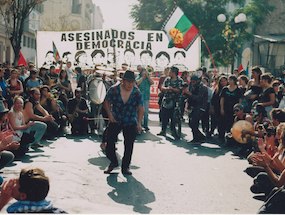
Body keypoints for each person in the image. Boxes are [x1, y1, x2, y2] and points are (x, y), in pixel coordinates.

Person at [103, 70, 144, 175]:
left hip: (130, 120)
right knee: (109, 143)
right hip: (116, 119)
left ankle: (125, 167)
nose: (130, 85)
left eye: (132, 82)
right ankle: (113, 162)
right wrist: (110, 115)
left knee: (129, 145)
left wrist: (139, 123)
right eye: (128, 82)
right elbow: (106, 101)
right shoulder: (114, 90)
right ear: (123, 81)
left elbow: (140, 108)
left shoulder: (136, 92)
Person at [0, 167, 67, 213]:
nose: (12, 182)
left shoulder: (16, 211)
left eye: (15, 183)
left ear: (23, 196)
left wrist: (3, 200)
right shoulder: (55, 210)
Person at [157, 66, 183, 139]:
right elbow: (162, 87)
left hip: (175, 101)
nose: (169, 73)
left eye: (170, 71)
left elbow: (180, 90)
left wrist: (173, 89)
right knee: (164, 116)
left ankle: (173, 131)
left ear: (173, 73)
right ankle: (163, 130)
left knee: (173, 117)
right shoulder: (167, 79)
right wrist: (166, 89)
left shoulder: (180, 80)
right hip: (166, 99)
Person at [183, 75, 208, 143]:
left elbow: (199, 99)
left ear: (198, 81)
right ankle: (200, 136)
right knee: (191, 123)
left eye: (194, 81)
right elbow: (189, 96)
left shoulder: (203, 87)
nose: (192, 82)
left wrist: (189, 94)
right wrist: (185, 93)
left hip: (200, 107)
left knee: (194, 123)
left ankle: (196, 138)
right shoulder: (191, 86)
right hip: (192, 106)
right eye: (192, 81)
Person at [136, 66, 154, 131]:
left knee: (146, 112)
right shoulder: (138, 77)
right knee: (139, 112)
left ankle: (145, 125)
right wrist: (143, 78)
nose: (144, 72)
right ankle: (139, 125)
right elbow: (137, 83)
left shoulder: (148, 78)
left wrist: (147, 76)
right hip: (139, 97)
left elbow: (152, 82)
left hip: (146, 97)